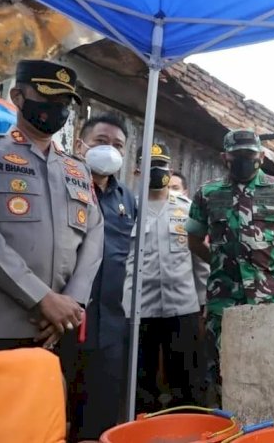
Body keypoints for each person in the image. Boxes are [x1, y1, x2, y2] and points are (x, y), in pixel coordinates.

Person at [186, 129, 274, 403]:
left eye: (249, 155)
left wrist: (270, 267)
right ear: (225, 157)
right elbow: (193, 241)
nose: (244, 160)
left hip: (270, 298)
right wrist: (220, 265)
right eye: (237, 155)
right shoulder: (207, 193)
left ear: (261, 156)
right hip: (223, 299)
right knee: (223, 371)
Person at [0, 60, 103, 352]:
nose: (58, 107)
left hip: (61, 326)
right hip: (6, 325)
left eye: (65, 101)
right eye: (48, 97)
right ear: (18, 97)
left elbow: (94, 237)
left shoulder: (77, 169)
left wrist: (74, 302)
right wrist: (42, 299)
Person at [58, 113, 137, 442]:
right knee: (57, 415)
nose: (109, 150)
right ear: (81, 144)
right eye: (101, 142)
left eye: (117, 145)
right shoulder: (61, 184)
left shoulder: (126, 199)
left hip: (110, 328)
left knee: (102, 418)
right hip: (63, 322)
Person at [124, 143, 208, 412]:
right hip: (139, 309)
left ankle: (188, 426)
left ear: (170, 170)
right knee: (141, 382)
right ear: (138, 170)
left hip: (182, 305)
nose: (156, 170)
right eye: (150, 165)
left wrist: (203, 300)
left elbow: (198, 259)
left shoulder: (187, 208)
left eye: (161, 165)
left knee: (186, 379)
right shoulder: (128, 209)